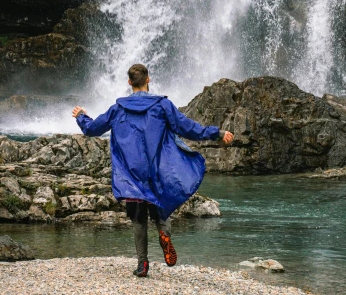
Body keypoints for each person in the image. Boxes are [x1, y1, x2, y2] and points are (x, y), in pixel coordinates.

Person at [72, 63, 234, 277]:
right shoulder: (162, 105)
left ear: (129, 83)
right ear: (148, 80)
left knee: (138, 218)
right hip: (157, 170)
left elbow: (92, 129)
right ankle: (164, 234)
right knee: (161, 205)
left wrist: (81, 115)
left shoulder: (117, 108)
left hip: (131, 174)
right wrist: (217, 133)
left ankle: (143, 264)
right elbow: (187, 127)